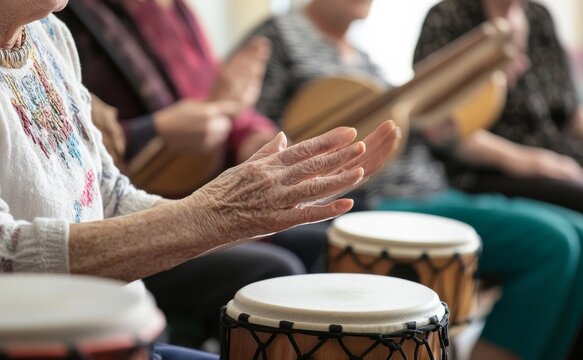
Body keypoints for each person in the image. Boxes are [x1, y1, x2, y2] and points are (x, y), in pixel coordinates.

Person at [0, 2, 400, 360]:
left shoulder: (51, 33)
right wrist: (210, 213)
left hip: (129, 334)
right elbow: (8, 256)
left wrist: (254, 210)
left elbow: (111, 195)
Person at [243, 1, 583, 359]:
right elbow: (251, 141)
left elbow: (420, 130)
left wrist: (459, 108)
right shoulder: (276, 40)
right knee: (554, 245)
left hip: (431, 187)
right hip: (378, 202)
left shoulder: (361, 56)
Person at [54, 0, 317, 347]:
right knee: (277, 268)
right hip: (139, 209)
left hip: (188, 193)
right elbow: (87, 144)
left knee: (313, 237)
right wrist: (154, 131)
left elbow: (220, 104)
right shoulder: (67, 18)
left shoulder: (177, 11)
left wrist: (250, 135)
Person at [413, 1, 583, 358]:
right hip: (491, 166)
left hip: (555, 151)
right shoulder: (448, 17)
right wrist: (528, 160)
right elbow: (439, 125)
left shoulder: (538, 16)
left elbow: (570, 104)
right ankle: (582, 347)